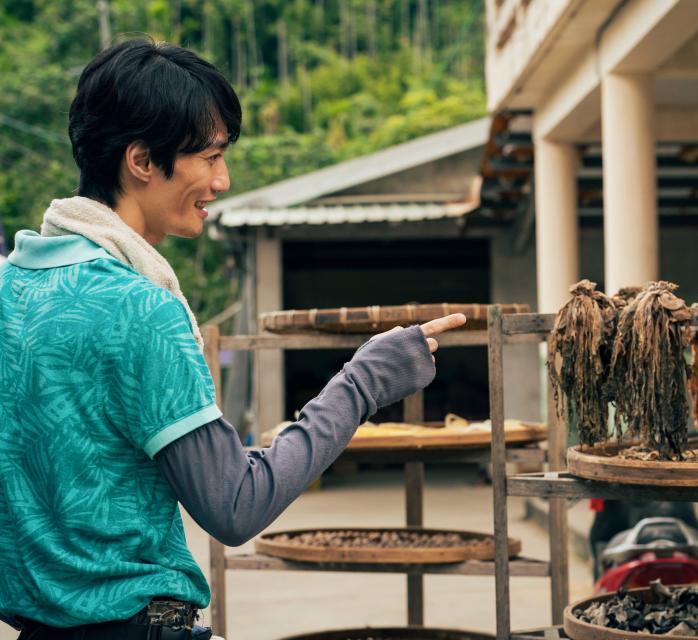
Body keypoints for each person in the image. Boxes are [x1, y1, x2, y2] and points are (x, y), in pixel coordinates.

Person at [0, 38, 466, 640]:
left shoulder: (10, 287)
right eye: (210, 157)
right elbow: (234, 504)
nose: (222, 180)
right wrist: (363, 381)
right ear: (142, 160)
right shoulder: (142, 309)